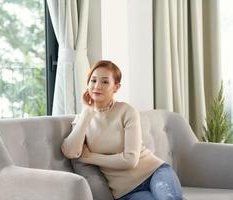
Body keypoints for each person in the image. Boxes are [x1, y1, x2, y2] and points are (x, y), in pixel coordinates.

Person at [61, 60, 183, 200]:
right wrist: (87, 113)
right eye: (93, 80)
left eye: (105, 82)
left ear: (116, 87)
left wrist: (90, 157)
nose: (97, 86)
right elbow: (70, 151)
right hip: (126, 192)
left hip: (154, 172)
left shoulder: (127, 111)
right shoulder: (83, 118)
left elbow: (130, 160)